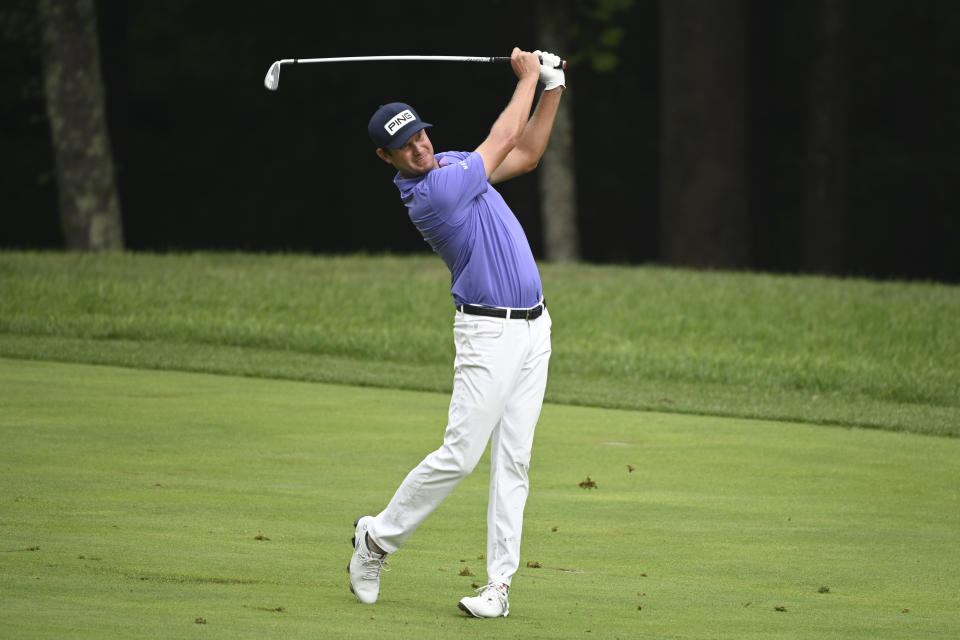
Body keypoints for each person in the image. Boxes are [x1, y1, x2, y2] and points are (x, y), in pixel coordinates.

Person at [348, 47, 565, 619]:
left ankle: (498, 587)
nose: (419, 147)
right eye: (406, 145)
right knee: (461, 456)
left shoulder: (447, 164)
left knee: (513, 461)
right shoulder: (432, 194)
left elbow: (528, 152)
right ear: (385, 156)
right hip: (486, 334)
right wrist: (527, 79)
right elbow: (503, 136)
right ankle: (375, 540)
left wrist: (554, 85)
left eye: (420, 135)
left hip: (534, 328)